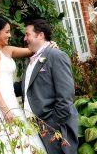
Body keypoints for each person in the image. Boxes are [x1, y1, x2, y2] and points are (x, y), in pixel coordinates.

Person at [0, 16, 48, 154]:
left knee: (22, 141)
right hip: (1, 104)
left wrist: (48, 45)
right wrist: (5, 109)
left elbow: (32, 51)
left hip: (11, 101)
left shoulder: (6, 49)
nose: (10, 35)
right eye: (6, 32)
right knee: (7, 141)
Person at [19, 19, 79, 154]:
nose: (25, 38)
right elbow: (27, 86)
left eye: (27, 34)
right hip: (36, 126)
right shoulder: (33, 60)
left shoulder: (56, 55)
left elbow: (66, 95)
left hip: (52, 126)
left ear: (40, 35)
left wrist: (53, 124)